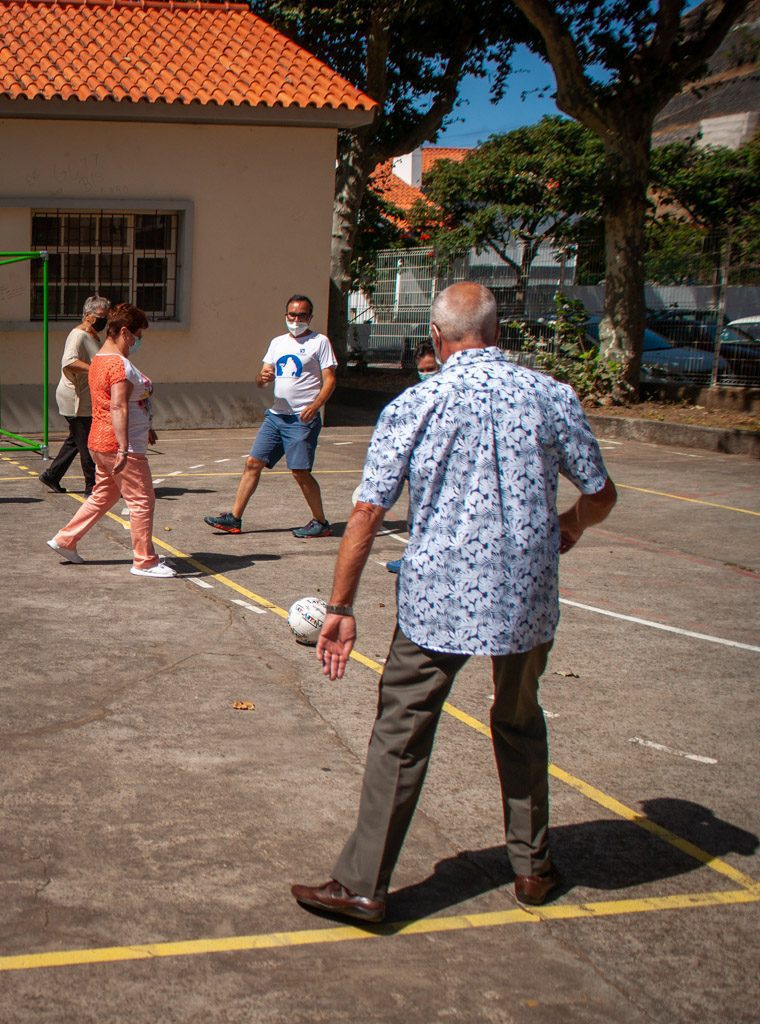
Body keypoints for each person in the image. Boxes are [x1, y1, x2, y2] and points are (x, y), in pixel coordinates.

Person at [291, 282, 617, 923]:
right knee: (519, 720)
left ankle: (363, 884)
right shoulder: (551, 395)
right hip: (527, 596)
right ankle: (533, 869)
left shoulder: (418, 402)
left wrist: (341, 606)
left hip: (439, 597)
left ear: (437, 339)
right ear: (498, 333)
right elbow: (601, 493)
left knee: (403, 731)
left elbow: (366, 512)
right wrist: (570, 525)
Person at [46, 303, 176, 578]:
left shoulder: (100, 361)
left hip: (100, 441)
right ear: (125, 332)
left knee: (104, 495)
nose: (139, 341)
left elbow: (121, 403)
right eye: (138, 335)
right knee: (142, 500)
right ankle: (145, 561)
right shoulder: (117, 364)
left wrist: (146, 426)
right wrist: (123, 447)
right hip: (120, 445)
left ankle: (65, 539)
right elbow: (117, 407)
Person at [204, 294, 337, 538]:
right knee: (253, 463)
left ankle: (321, 522)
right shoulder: (277, 343)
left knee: (300, 471)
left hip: (301, 419)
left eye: (302, 315)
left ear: (310, 316)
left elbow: (330, 380)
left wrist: (316, 404)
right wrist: (262, 378)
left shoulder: (320, 342)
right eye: (292, 315)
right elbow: (261, 379)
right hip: (276, 416)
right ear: (286, 315)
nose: (296, 320)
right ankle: (234, 518)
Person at [39, 295, 111, 496]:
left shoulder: (93, 336)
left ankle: (52, 475)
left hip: (87, 399)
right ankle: (92, 486)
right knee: (87, 443)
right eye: (100, 316)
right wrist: (94, 369)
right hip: (76, 400)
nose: (103, 320)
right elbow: (69, 362)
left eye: (106, 316)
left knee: (75, 440)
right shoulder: (78, 335)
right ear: (88, 316)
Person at [385, 339, 440, 574]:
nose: (426, 375)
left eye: (431, 369)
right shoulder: (415, 399)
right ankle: (414, 555)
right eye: (422, 370)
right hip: (420, 469)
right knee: (418, 512)